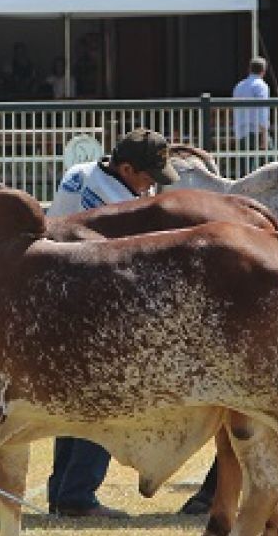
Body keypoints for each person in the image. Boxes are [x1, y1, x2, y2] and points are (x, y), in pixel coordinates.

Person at [45, 128, 179, 518]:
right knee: (107, 399)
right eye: (149, 175)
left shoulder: (82, 172)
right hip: (90, 303)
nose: (152, 185)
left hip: (55, 291)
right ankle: (76, 495)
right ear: (125, 168)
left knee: (73, 402)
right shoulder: (121, 203)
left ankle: (63, 492)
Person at [232, 57, 271, 173]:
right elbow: (262, 110)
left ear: (249, 69)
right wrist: (264, 133)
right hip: (256, 131)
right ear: (264, 71)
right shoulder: (261, 86)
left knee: (245, 167)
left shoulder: (239, 86)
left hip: (241, 130)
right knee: (269, 161)